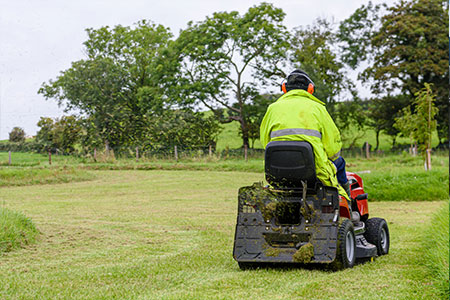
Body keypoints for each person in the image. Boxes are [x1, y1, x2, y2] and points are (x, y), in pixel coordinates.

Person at [260, 69, 352, 214]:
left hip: (278, 172)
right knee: (340, 163)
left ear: (284, 88)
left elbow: (265, 142)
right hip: (314, 171)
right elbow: (333, 148)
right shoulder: (318, 109)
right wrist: (330, 158)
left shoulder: (272, 109)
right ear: (310, 89)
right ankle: (348, 203)